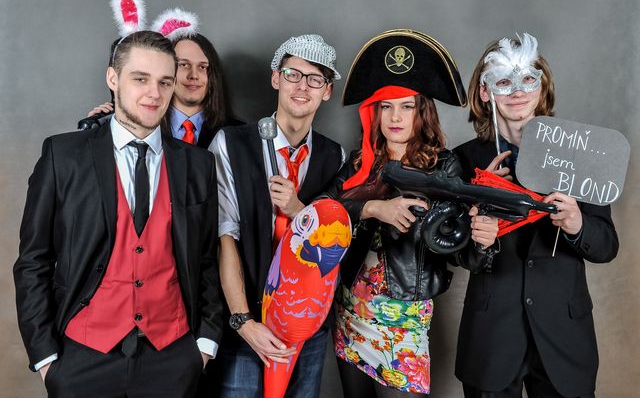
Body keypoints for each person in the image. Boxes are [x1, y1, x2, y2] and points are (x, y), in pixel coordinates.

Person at [14, 30, 224, 397]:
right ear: (113, 78)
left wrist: (204, 345)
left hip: (173, 358)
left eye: (165, 82)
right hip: (81, 357)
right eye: (140, 78)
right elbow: (34, 260)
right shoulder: (62, 156)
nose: (154, 93)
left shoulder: (198, 164)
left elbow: (206, 259)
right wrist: (46, 358)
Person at [322, 29, 496, 397]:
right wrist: (374, 207)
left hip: (405, 313)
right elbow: (323, 211)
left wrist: (482, 242)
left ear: (422, 112)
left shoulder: (443, 166)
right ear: (375, 112)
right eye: (386, 107)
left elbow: (462, 249)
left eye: (406, 106)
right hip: (352, 307)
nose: (395, 117)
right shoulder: (360, 162)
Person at [454, 33, 619, 398]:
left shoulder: (579, 154)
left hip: (565, 338)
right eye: (503, 81)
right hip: (492, 339)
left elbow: (607, 245)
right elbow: (456, 254)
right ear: (485, 91)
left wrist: (577, 224)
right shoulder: (463, 161)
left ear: (541, 87)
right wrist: (480, 223)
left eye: (527, 78)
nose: (517, 91)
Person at [208, 34, 345, 397]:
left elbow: (335, 247)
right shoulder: (231, 144)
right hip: (247, 323)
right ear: (275, 78)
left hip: (307, 327)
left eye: (315, 79)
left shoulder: (336, 157)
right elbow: (224, 237)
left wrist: (300, 211)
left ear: (327, 91)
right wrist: (243, 321)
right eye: (292, 74)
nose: (303, 86)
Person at [89, 32, 239, 148]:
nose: (194, 75)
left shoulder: (237, 135)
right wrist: (100, 129)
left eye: (202, 67)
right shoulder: (138, 125)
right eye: (183, 65)